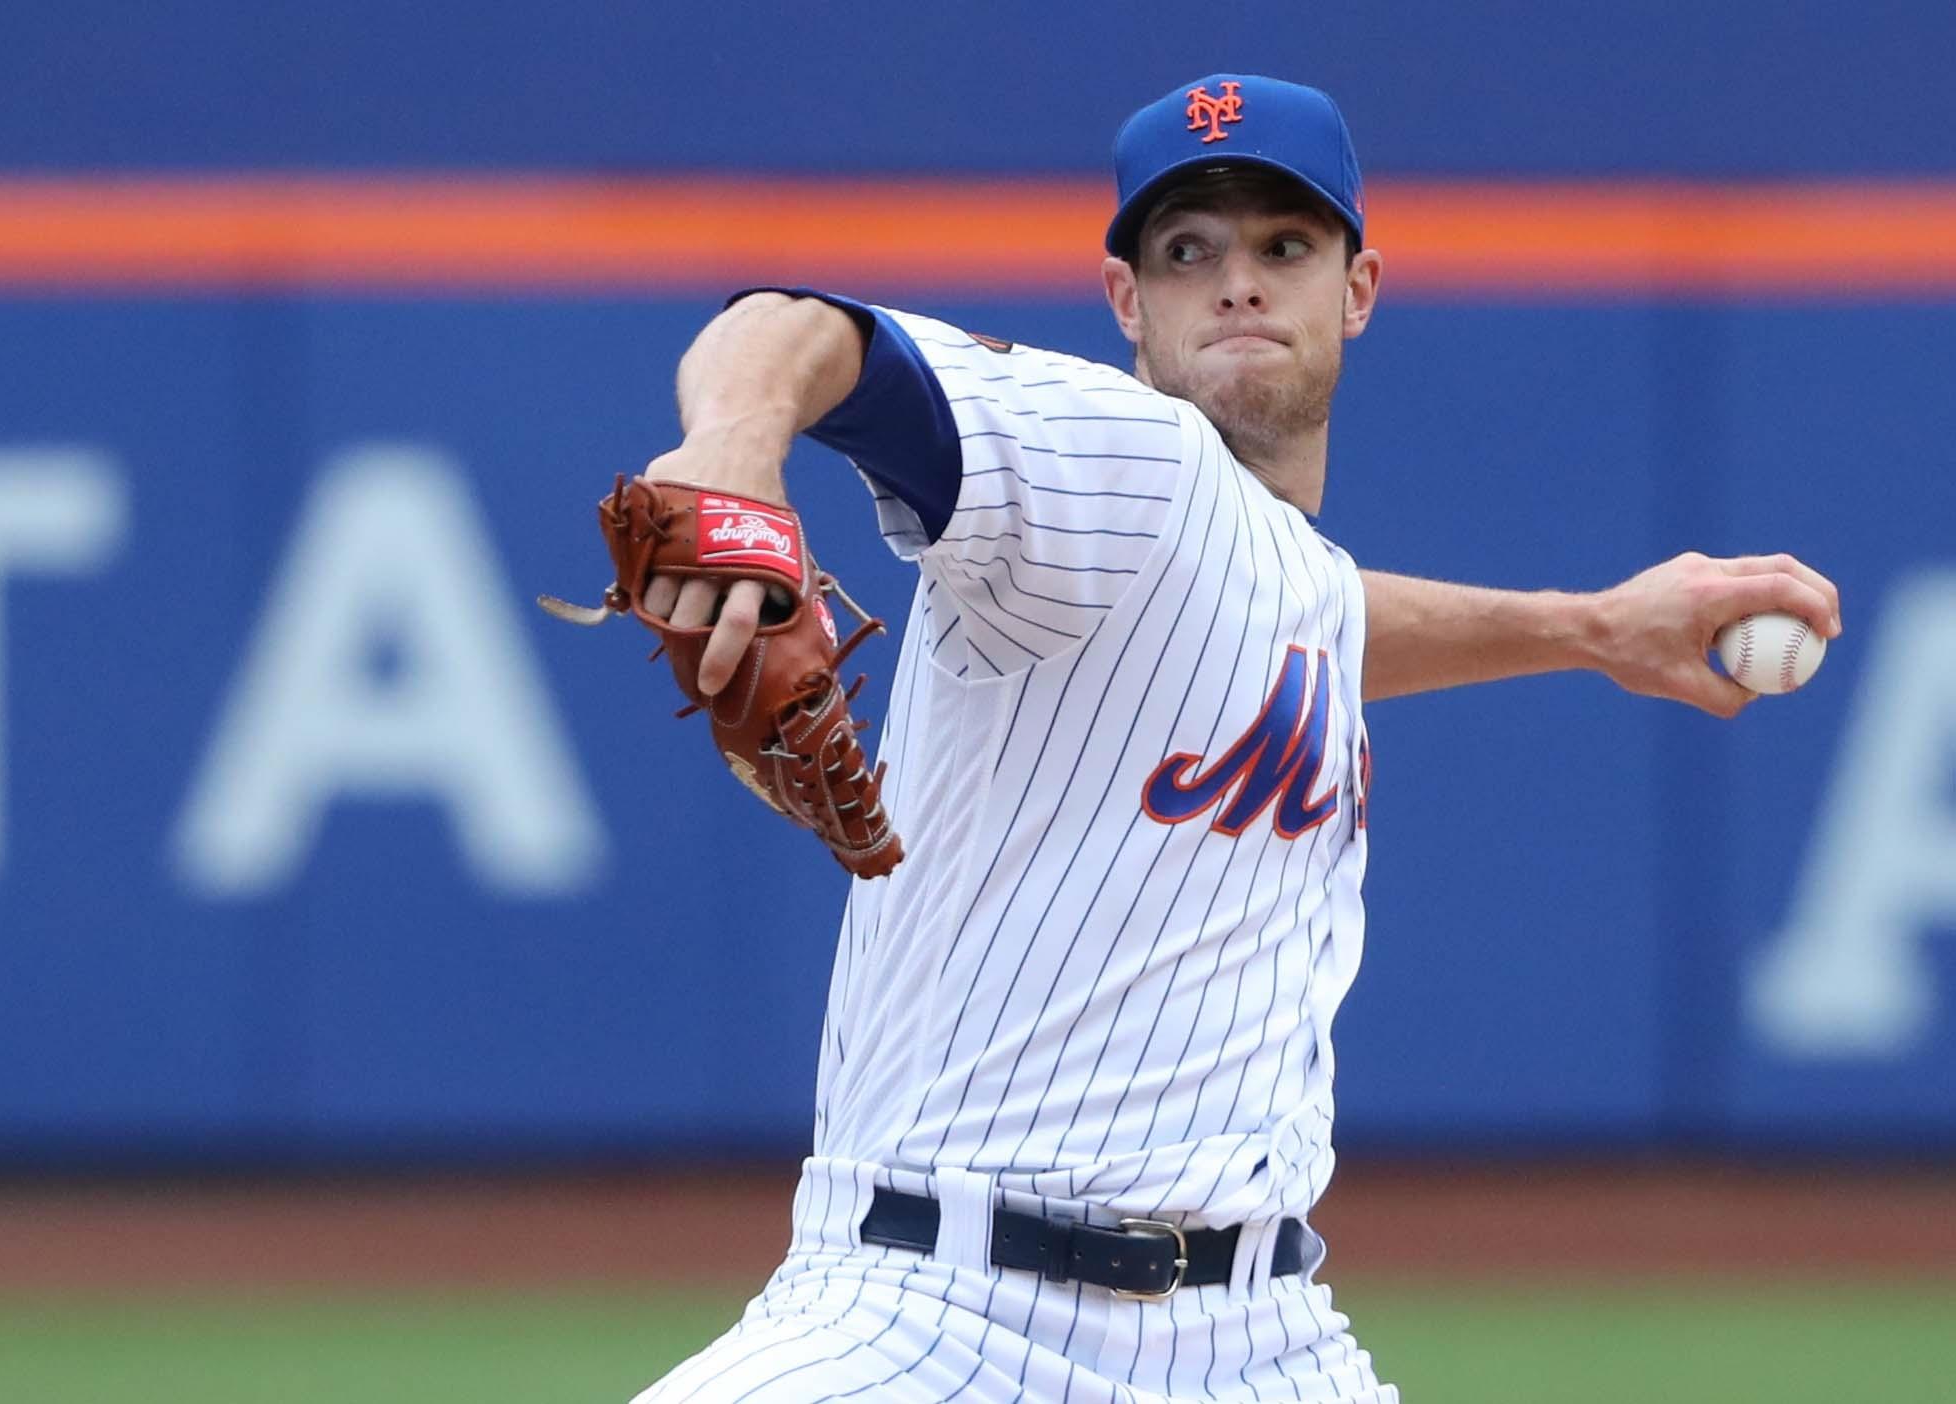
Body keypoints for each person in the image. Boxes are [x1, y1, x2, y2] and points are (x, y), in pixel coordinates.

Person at [628, 73, 1840, 1403]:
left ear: (1357, 290)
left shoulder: (1278, 578)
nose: (1238, 282)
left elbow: (1315, 618)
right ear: (1126, 305)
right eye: (1189, 251)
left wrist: (1590, 626)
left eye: (1284, 245)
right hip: (937, 1323)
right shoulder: (1120, 458)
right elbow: (795, 330)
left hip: (1260, 1339)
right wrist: (736, 444)